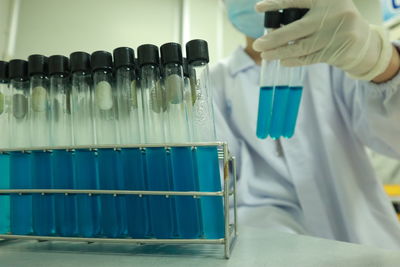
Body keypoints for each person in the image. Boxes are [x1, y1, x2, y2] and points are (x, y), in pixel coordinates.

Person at [212, 0, 400, 250]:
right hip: (266, 247)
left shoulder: (336, 60)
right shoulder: (213, 83)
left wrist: (380, 60)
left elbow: (393, 140)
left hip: (368, 245)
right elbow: (216, 181)